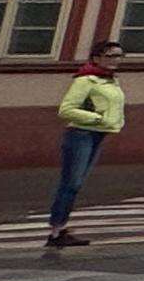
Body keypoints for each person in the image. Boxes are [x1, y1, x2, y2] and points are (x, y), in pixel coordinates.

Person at [45, 40, 127, 251]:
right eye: (110, 56)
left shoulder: (109, 81)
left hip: (97, 135)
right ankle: (56, 231)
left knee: (76, 184)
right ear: (97, 57)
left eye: (118, 56)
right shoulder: (86, 80)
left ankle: (60, 229)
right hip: (81, 134)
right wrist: (97, 119)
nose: (115, 61)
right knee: (70, 184)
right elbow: (66, 110)